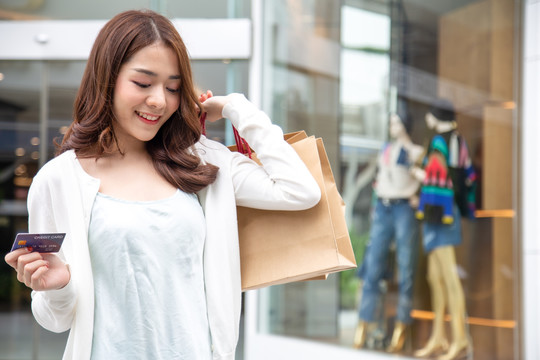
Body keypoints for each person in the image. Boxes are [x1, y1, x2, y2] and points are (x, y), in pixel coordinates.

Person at [4, 9, 320, 360]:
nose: (159, 100)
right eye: (142, 83)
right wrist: (58, 286)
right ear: (107, 79)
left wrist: (235, 107)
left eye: (172, 87)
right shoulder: (59, 180)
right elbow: (54, 320)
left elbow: (300, 191)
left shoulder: (203, 163)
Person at [353, 113, 423, 353]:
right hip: (383, 207)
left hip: (403, 208)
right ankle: (364, 323)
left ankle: (402, 327)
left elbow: (425, 176)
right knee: (372, 266)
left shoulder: (415, 151)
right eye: (391, 122)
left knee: (406, 269)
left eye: (396, 122)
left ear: (405, 124)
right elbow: (380, 177)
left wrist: (418, 195)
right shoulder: (385, 149)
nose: (392, 126)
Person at [412, 98, 474, 360]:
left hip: (440, 216)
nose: (427, 118)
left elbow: (433, 178)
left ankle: (459, 339)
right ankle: (440, 336)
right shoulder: (457, 140)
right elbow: (464, 176)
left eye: (430, 113)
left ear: (436, 115)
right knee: (435, 278)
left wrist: (417, 174)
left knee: (446, 278)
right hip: (449, 214)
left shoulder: (439, 142)